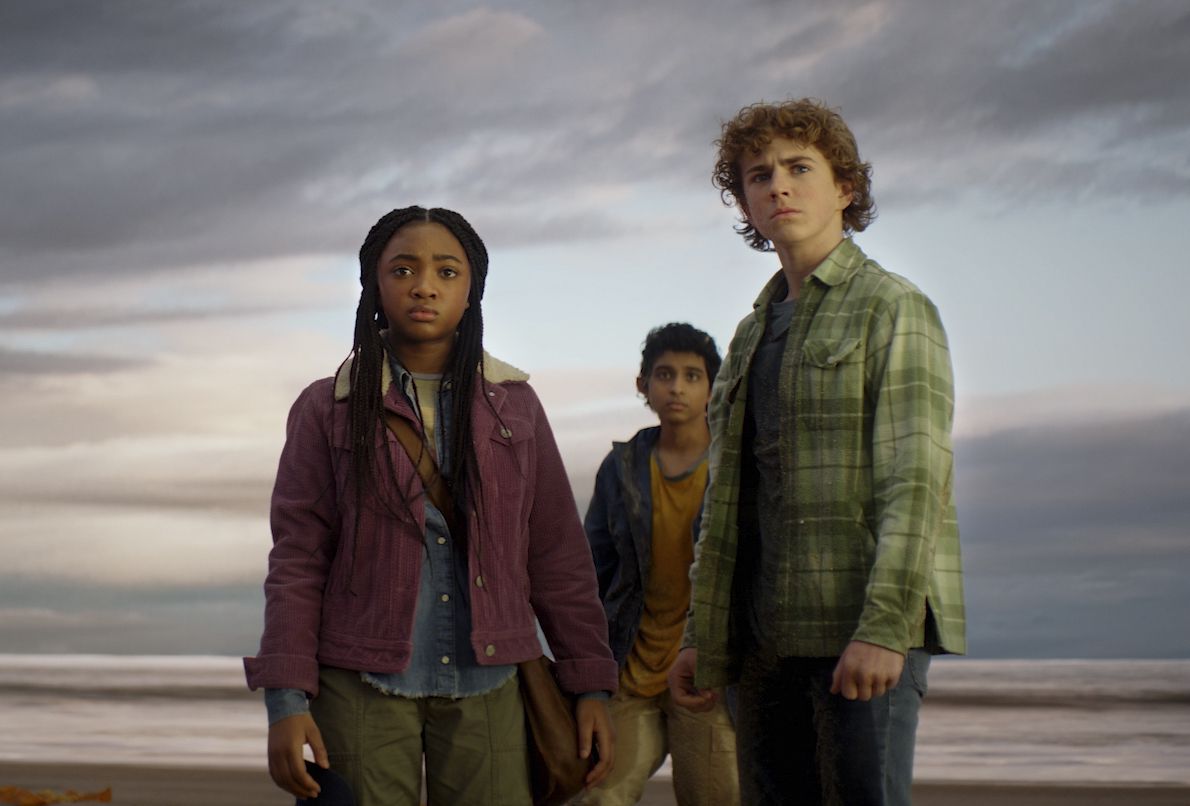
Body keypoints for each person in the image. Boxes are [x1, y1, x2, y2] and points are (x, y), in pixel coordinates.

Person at [244, 206, 617, 806]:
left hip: (491, 680)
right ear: (374, 285)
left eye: (447, 272)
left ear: (472, 292)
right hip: (359, 683)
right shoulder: (326, 407)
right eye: (404, 269)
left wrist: (591, 685)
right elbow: (297, 559)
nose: (424, 285)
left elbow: (557, 557)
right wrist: (285, 699)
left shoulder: (515, 406)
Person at [667, 99, 966, 805]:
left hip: (857, 632)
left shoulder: (893, 306)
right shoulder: (748, 336)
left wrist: (886, 629)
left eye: (800, 167)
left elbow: (915, 482)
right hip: (761, 646)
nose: (778, 186)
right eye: (757, 174)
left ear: (845, 188)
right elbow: (725, 504)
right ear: (744, 200)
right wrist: (700, 637)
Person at [579, 323, 739, 806]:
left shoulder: (732, 464)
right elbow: (592, 572)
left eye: (693, 376)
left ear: (713, 387)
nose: (677, 387)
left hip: (706, 675)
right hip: (632, 671)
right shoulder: (623, 467)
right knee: (598, 797)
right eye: (665, 374)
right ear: (643, 384)